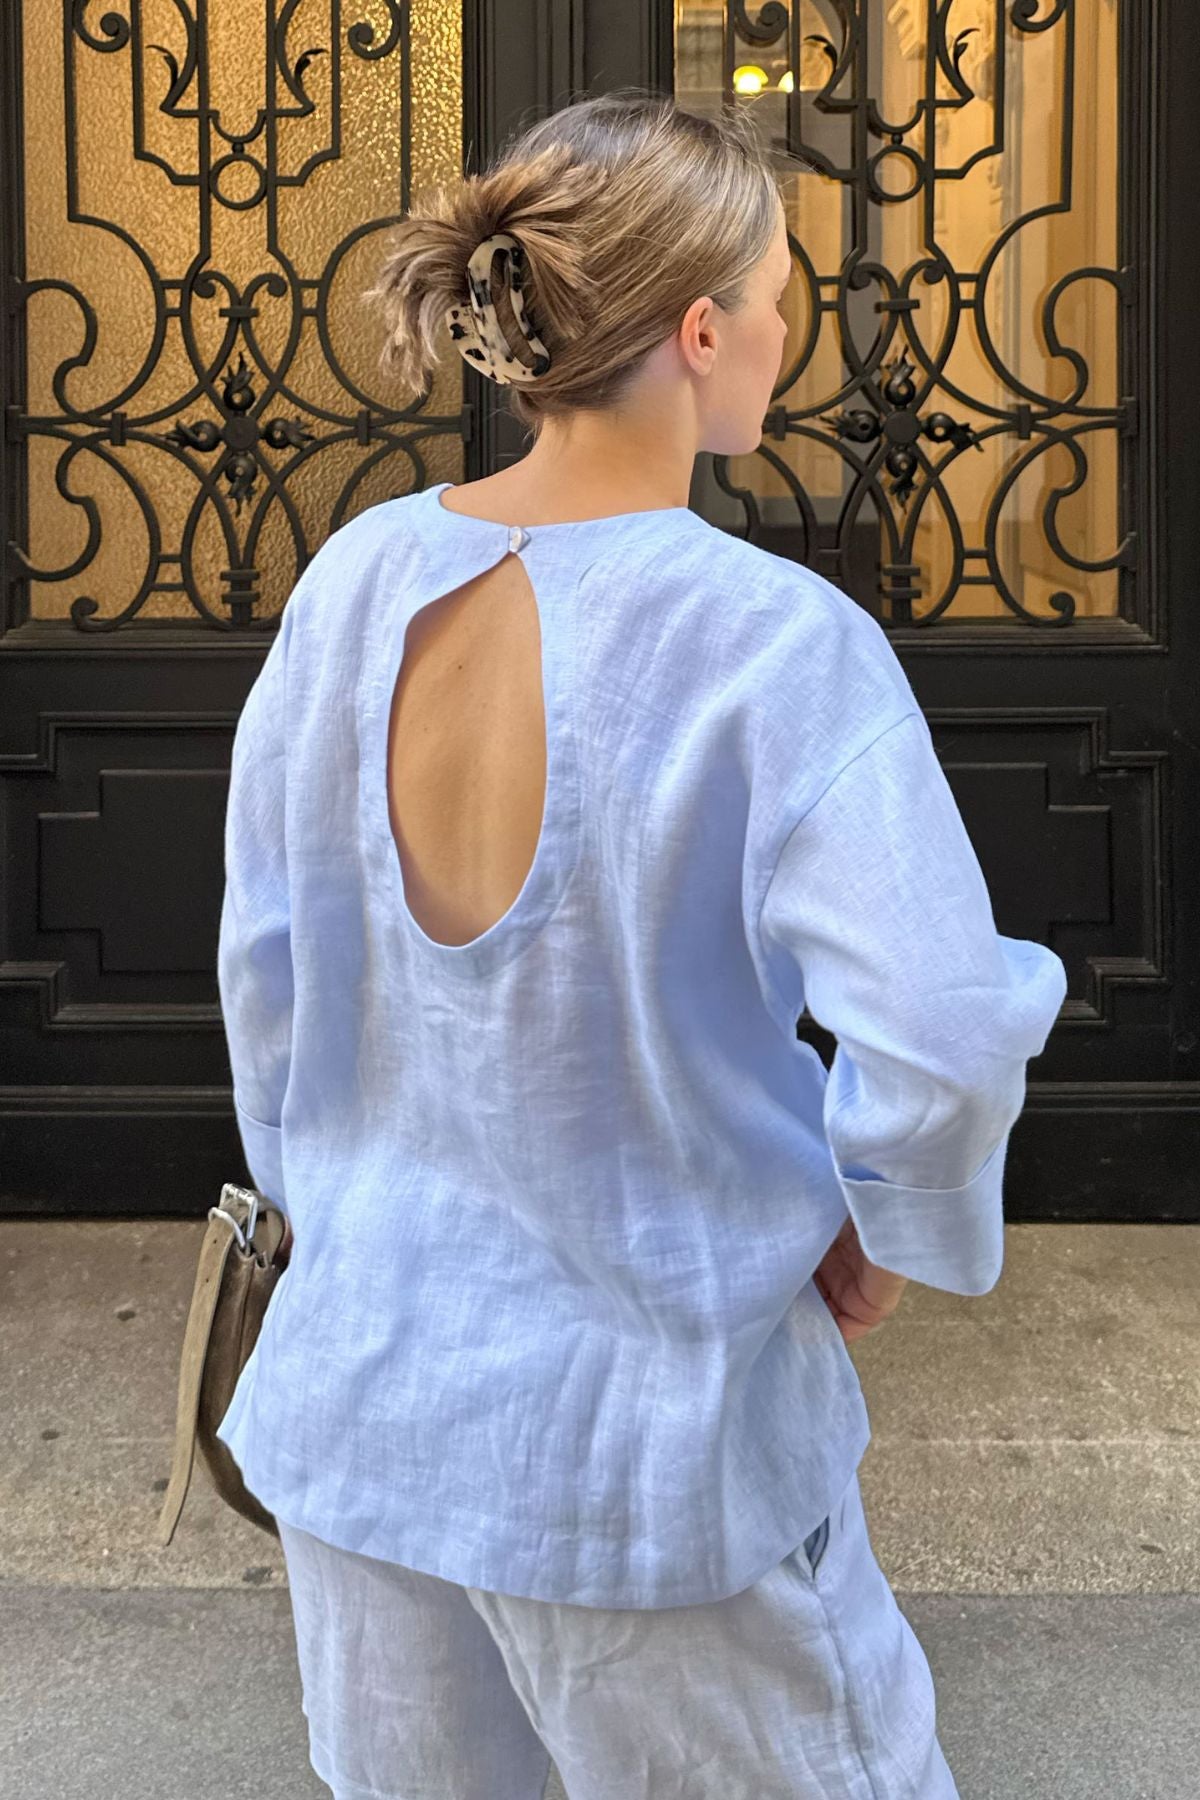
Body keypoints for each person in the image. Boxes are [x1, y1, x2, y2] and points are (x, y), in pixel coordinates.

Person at [214, 89, 1067, 1800]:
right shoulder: (773, 641)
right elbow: (946, 1032)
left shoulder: (351, 584)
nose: (787, 338)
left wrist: (349, 1216)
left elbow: (268, 981)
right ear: (698, 331)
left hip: (368, 1423)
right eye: (778, 301)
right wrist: (889, 1220)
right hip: (654, 1465)